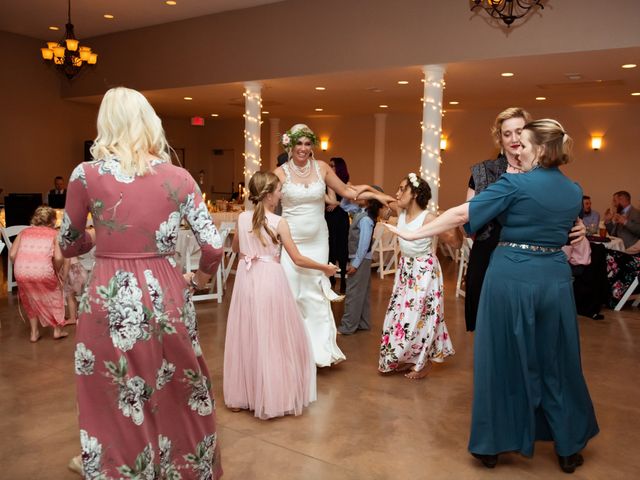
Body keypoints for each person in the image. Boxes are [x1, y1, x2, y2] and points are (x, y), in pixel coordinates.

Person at [385, 119, 599, 473]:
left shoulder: (515, 184)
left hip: (511, 277)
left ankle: (494, 443)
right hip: (555, 281)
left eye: (524, 146)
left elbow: (459, 214)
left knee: (502, 359)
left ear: (542, 150)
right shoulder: (573, 190)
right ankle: (567, 445)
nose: (517, 152)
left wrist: (412, 234)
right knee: (556, 361)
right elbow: (568, 229)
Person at [59, 87, 223, 479]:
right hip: (167, 292)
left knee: (114, 391)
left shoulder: (86, 175)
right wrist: (198, 281)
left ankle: (121, 468)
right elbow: (213, 247)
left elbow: (69, 243)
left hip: (109, 295)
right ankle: (181, 468)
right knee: (178, 385)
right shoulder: (179, 177)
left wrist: (101, 239)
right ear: (149, 122)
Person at [274, 123, 393, 367]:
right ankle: (291, 352)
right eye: (299, 143)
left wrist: (377, 195)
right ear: (290, 145)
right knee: (292, 292)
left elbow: (348, 192)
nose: (304, 149)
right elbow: (265, 200)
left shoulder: (322, 168)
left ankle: (319, 353)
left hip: (318, 240)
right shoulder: (280, 173)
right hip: (291, 239)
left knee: (316, 293)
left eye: (308, 144)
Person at [224, 171, 338, 419]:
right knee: (272, 334)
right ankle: (271, 396)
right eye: (278, 190)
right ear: (268, 196)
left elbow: (235, 248)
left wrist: (248, 246)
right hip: (270, 279)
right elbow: (297, 258)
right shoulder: (278, 222)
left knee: (247, 332)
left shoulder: (242, 218)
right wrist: (325, 267)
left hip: (246, 277)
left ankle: (242, 396)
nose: (281, 193)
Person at [378, 174, 454, 379]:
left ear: (415, 194)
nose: (397, 193)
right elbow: (381, 197)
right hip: (406, 269)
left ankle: (423, 363)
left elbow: (454, 241)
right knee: (400, 315)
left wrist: (453, 222)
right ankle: (405, 358)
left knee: (422, 316)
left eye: (403, 189)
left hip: (424, 271)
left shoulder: (428, 218)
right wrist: (363, 190)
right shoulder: (400, 211)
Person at [464, 107, 532, 332]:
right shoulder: (484, 171)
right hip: (488, 256)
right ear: (499, 139)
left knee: (523, 326)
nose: (514, 139)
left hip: (528, 259)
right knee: (488, 329)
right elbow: (468, 220)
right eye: (507, 133)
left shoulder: (542, 172)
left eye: (519, 131)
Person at [9, 205, 68, 342]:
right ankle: (57, 330)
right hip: (43, 270)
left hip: (21, 270)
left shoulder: (24, 232)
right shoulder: (55, 234)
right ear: (52, 221)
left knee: (30, 298)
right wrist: (55, 269)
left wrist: (23, 265)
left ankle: (34, 333)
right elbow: (59, 258)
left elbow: (12, 254)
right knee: (54, 294)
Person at [337, 187, 384, 335]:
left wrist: (355, 264)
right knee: (362, 292)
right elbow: (344, 205)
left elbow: (363, 246)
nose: (359, 196)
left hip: (360, 260)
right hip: (361, 259)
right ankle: (363, 322)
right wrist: (351, 191)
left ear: (370, 202)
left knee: (353, 293)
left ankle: (347, 326)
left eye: (364, 195)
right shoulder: (360, 212)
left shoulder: (365, 219)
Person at [325, 157, 351, 293]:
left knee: (342, 247)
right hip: (328, 219)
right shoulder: (325, 183)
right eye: (329, 165)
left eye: (333, 165)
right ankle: (330, 279)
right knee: (330, 247)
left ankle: (343, 280)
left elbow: (350, 204)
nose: (330, 167)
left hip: (341, 218)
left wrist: (336, 203)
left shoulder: (346, 183)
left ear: (339, 168)